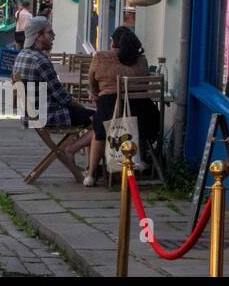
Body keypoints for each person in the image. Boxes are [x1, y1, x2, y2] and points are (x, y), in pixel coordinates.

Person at [12, 17, 94, 174]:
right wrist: (84, 108)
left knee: (85, 115)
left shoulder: (20, 56)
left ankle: (88, 169)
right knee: (99, 120)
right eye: (49, 32)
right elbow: (63, 96)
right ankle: (73, 153)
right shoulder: (41, 60)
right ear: (38, 36)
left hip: (30, 115)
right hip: (48, 116)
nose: (54, 35)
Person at [85, 26, 159, 186]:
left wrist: (95, 93)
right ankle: (141, 165)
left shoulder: (101, 57)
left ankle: (90, 174)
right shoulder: (142, 60)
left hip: (110, 114)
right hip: (143, 118)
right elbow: (145, 85)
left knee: (99, 132)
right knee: (104, 122)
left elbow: (92, 84)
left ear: (114, 42)